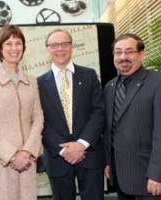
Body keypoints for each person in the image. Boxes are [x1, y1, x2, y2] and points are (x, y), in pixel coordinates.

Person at [104, 33, 161, 200]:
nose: (123, 57)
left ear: (141, 54)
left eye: (129, 51)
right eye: (118, 52)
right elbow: (111, 129)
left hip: (150, 179)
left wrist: (158, 175)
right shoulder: (109, 88)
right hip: (121, 178)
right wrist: (109, 162)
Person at [0, 25, 44, 200]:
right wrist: (12, 155)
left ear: (24, 48)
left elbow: (38, 117)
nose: (14, 48)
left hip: (27, 160)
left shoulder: (31, 80)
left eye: (18, 43)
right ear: (0, 48)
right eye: (8, 44)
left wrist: (27, 151)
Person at [37, 29, 105, 200]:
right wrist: (64, 151)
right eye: (54, 45)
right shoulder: (37, 84)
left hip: (90, 155)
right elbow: (39, 121)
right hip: (57, 158)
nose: (60, 48)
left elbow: (99, 112)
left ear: (72, 47)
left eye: (65, 44)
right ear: (47, 49)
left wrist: (81, 144)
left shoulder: (89, 75)